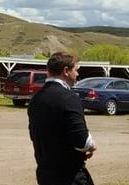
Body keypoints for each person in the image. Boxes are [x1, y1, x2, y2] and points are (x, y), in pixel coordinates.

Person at [28, 52, 96, 185]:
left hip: (45, 174)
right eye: (76, 70)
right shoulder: (69, 98)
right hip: (69, 176)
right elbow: (82, 141)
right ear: (66, 71)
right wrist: (92, 145)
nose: (77, 75)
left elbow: (34, 134)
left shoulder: (36, 99)